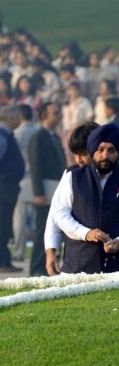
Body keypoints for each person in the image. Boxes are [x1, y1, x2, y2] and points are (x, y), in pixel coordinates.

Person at [52, 123, 119, 274]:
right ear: (92, 151)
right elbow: (59, 214)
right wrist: (85, 233)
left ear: (118, 152)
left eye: (111, 150)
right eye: (100, 150)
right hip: (77, 266)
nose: (105, 155)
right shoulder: (73, 178)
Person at [44, 122, 97, 276]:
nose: (79, 159)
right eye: (75, 154)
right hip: (75, 254)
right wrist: (50, 252)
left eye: (83, 153)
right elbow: (56, 214)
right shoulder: (70, 175)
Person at [28, 102, 66, 276]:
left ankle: (45, 265)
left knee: (50, 228)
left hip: (55, 188)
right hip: (45, 190)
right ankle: (37, 267)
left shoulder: (54, 136)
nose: (58, 115)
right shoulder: (38, 137)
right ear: (44, 116)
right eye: (54, 112)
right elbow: (36, 166)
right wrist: (39, 193)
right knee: (42, 229)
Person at [0, 106, 25, 273]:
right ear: (8, 117)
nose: (19, 119)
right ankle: (3, 260)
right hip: (4, 187)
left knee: (5, 223)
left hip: (9, 187)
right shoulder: (2, 136)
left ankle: (4, 258)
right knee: (3, 224)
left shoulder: (8, 135)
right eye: (16, 116)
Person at [12, 104, 38, 261]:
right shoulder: (38, 132)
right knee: (38, 218)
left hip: (22, 178)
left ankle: (20, 251)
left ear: (20, 116)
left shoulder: (16, 133)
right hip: (37, 179)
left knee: (19, 218)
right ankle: (39, 250)